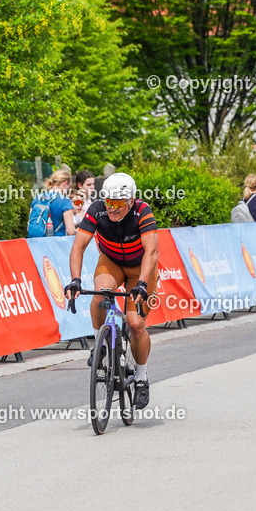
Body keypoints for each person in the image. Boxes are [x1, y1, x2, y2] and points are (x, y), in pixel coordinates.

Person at [65, 172, 158, 410]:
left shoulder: (142, 211)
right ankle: (101, 345)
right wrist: (75, 280)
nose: (112, 208)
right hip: (112, 261)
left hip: (140, 267)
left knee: (136, 324)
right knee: (101, 293)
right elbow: (78, 247)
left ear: (131, 200)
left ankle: (141, 377)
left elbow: (151, 252)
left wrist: (142, 284)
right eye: (109, 201)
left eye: (118, 203)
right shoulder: (97, 210)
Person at [29, 169, 77, 237]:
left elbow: (30, 225)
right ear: (65, 183)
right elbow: (70, 231)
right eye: (69, 185)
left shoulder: (37, 198)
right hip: (57, 241)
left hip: (36, 241)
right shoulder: (65, 201)